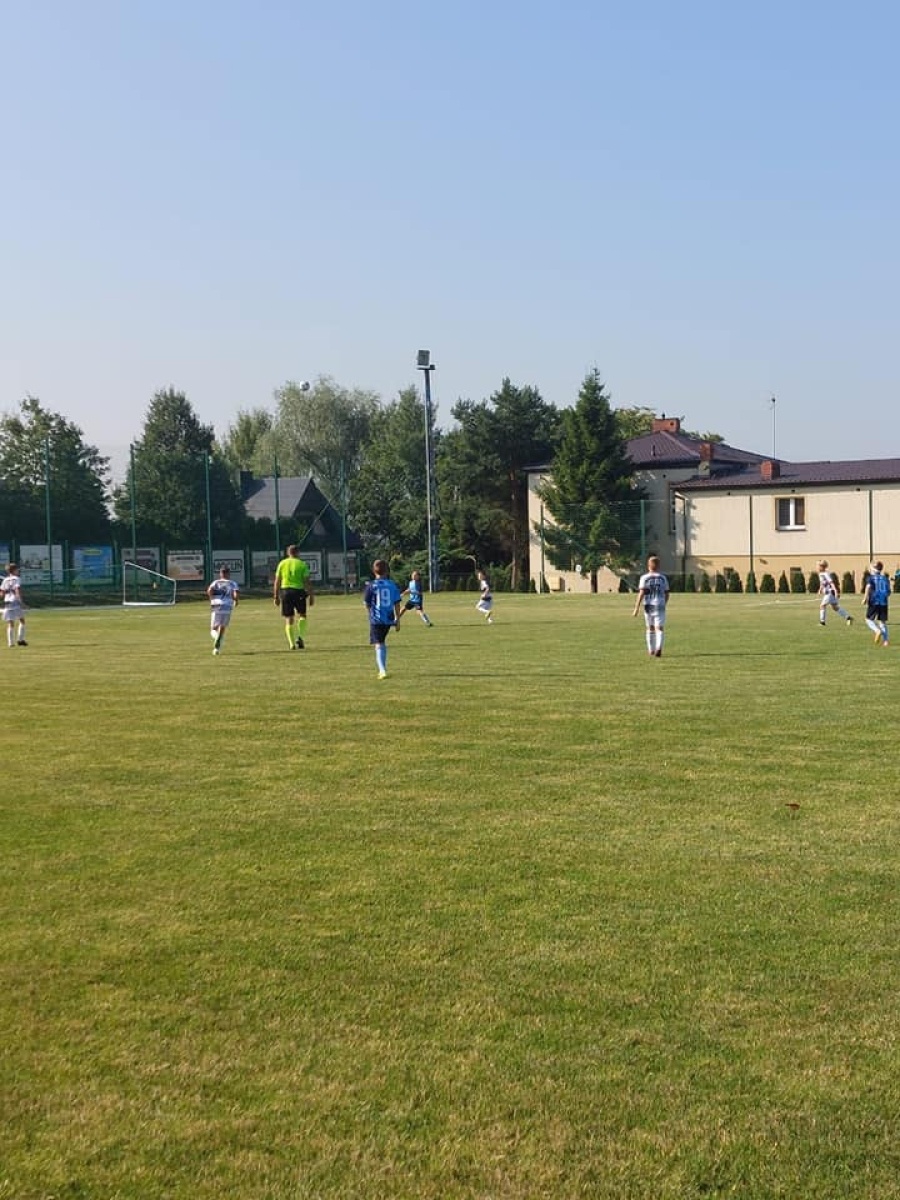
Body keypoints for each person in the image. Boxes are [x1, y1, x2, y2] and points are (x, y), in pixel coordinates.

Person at [363, 559, 402, 679]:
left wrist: (370, 615)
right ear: (387, 571)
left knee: (379, 644)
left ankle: (382, 670)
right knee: (381, 642)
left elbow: (366, 603)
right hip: (388, 619)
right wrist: (398, 619)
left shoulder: (371, 585)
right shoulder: (392, 585)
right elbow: (397, 603)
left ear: (373, 571)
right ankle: (382, 668)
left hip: (377, 619)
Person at [273, 545, 314, 650]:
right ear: (298, 553)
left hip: (286, 592)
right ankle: (300, 637)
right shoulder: (301, 564)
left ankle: (291, 644)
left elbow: (277, 581)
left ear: (288, 553)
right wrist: (311, 595)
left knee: (289, 618)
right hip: (298, 592)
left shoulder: (282, 563)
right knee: (302, 615)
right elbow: (307, 581)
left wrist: (276, 596)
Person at [632, 554, 669, 657]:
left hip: (648, 605)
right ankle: (659, 648)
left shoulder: (644, 578)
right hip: (660, 604)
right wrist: (663, 603)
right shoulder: (663, 578)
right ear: (659, 566)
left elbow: (641, 593)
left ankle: (651, 650)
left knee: (650, 628)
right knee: (659, 628)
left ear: (648, 566)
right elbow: (667, 593)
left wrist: (636, 608)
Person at [206, 565, 240, 655]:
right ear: (229, 574)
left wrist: (211, 598)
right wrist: (236, 601)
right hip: (227, 606)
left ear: (221, 573)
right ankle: (217, 646)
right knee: (222, 626)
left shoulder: (216, 582)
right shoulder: (232, 583)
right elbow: (235, 593)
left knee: (213, 629)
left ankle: (217, 639)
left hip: (216, 605)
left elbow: (209, 590)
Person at [817, 560, 853, 627]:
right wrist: (820, 589)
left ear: (822, 567)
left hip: (829, 593)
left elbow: (831, 583)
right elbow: (823, 583)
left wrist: (836, 591)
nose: (817, 567)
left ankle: (822, 622)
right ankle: (848, 617)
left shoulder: (825, 574)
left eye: (818, 566)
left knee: (822, 606)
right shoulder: (821, 574)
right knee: (835, 607)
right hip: (830, 593)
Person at [863, 560, 890, 647]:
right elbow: (889, 592)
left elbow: (868, 587)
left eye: (871, 567)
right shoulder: (885, 578)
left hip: (874, 601)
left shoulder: (871, 578)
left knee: (868, 619)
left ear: (874, 569)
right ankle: (886, 641)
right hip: (884, 602)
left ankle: (877, 631)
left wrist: (865, 598)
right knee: (882, 622)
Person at [1, 563, 27, 647]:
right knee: (22, 620)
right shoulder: (17, 579)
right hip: (15, 602)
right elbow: (17, 590)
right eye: (17, 569)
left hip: (7, 603)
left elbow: (2, 593)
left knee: (10, 623)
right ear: (14, 570)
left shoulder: (5, 580)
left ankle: (10, 643)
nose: (18, 571)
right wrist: (21, 601)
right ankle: (20, 640)